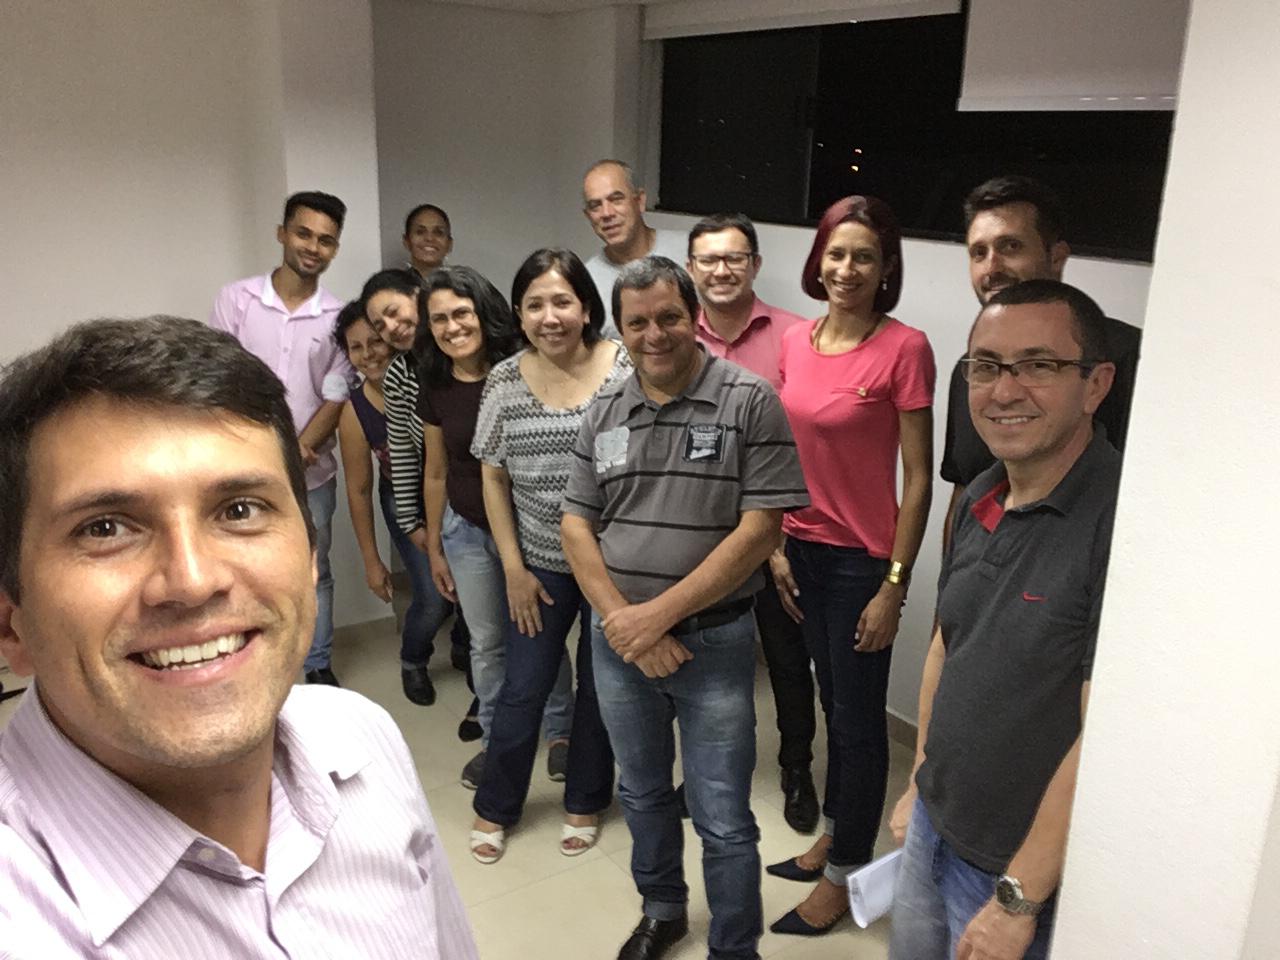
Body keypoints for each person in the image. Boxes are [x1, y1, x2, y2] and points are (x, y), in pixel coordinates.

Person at [0, 317, 476, 958]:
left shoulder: (362, 738)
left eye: (240, 510)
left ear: (310, 559)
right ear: (10, 622)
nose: (193, 581)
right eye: (105, 527)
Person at [562, 257, 809, 960]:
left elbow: (761, 529)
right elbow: (576, 525)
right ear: (619, 328)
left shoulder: (749, 400)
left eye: (669, 316)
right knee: (641, 793)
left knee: (723, 813)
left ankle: (734, 945)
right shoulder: (605, 410)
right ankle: (663, 910)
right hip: (619, 645)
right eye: (636, 322)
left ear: (694, 315)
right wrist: (628, 626)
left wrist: (655, 618)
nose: (655, 334)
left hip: (714, 644)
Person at [887, 280, 1121, 960]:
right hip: (934, 825)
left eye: (1038, 365)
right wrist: (921, 778)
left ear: (1096, 384)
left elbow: (1104, 735)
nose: (1004, 391)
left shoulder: (1120, 526)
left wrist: (1019, 898)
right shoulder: (983, 491)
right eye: (985, 367)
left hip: (1012, 875)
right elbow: (947, 647)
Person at [766, 195, 935, 936]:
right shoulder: (794, 341)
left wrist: (894, 585)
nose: (848, 268)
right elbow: (781, 453)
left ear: (885, 267)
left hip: (861, 565)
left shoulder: (905, 348)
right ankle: (834, 837)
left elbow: (919, 478)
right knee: (832, 705)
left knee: (860, 726)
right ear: (819, 259)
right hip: (799, 553)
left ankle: (844, 875)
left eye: (864, 256)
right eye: (837, 253)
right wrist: (775, 546)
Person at [361, 267, 573, 781]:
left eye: (461, 313)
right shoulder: (433, 382)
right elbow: (435, 470)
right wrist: (435, 545)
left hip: (529, 528)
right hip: (466, 531)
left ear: (483, 312)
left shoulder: (522, 366)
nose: (452, 327)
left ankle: (561, 732)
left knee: (539, 633)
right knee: (487, 642)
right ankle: (497, 740)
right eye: (440, 319)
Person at [467, 249, 629, 864]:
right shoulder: (505, 379)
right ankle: (496, 805)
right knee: (523, 687)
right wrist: (512, 568)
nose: (549, 316)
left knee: (601, 688)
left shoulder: (625, 368)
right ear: (519, 314)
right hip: (539, 565)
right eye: (534, 304)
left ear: (586, 307)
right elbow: (493, 475)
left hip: (614, 566)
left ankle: (585, 799)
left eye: (562, 301)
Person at [687, 212, 818, 834]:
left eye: (734, 257)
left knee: (788, 662)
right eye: (709, 259)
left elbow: (801, 447)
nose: (721, 270)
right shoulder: (674, 338)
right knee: (704, 660)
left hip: (778, 536)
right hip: (699, 534)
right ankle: (705, 770)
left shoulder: (796, 336)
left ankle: (797, 769)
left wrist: (775, 538)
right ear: (691, 268)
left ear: (755, 265)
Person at [941, 175, 1141, 551]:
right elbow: (963, 491)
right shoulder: (969, 372)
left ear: (1057, 256)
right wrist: (950, 584)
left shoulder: (1130, 358)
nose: (992, 267)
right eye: (978, 253)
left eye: (1010, 246)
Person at [209, 190, 350, 686]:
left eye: (326, 240)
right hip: (240, 471)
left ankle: (317, 663)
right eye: (304, 234)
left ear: (335, 249)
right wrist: (264, 453)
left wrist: (294, 451)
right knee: (243, 568)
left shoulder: (339, 317)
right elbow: (220, 381)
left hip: (314, 474)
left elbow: (336, 393)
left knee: (315, 569)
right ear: (282, 234)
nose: (313, 247)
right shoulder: (237, 300)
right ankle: (251, 660)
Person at [333, 301, 452, 706]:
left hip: (453, 495)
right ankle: (413, 660)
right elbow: (358, 489)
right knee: (433, 597)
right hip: (403, 501)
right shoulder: (355, 410)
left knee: (468, 584)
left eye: (375, 342)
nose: (368, 354)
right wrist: (372, 560)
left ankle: (464, 646)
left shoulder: (426, 380)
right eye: (356, 347)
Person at [582, 160, 686, 337]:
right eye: (595, 206)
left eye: (616, 199)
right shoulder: (586, 281)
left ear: (640, 201)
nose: (607, 213)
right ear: (588, 216)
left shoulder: (691, 253)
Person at [402, 203, 454, 280]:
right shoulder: (391, 285)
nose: (429, 238)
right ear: (406, 241)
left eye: (438, 232)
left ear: (449, 244)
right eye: (420, 232)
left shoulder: (464, 285)